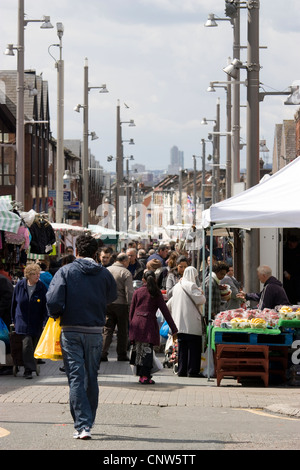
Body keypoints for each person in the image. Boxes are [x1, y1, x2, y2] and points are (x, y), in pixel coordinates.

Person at [46, 233, 117, 440]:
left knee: (76, 377)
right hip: (95, 331)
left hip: (71, 329)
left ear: (77, 251)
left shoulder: (66, 271)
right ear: (95, 253)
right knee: (91, 376)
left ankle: (82, 424)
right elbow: (112, 296)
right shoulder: (103, 273)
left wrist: (56, 314)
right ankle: (88, 421)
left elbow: (53, 299)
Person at [129, 270, 178, 384]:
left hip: (137, 324)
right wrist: (174, 329)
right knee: (147, 350)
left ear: (143, 280)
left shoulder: (138, 291)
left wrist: (131, 326)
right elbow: (165, 312)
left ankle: (141, 375)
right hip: (148, 325)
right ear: (155, 279)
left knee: (138, 350)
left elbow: (131, 310)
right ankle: (145, 376)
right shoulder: (156, 293)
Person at [167, 266, 206, 377]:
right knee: (194, 348)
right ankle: (192, 371)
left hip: (179, 324)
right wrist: (201, 292)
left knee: (182, 349)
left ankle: (181, 370)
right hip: (192, 323)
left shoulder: (177, 286)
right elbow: (202, 300)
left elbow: (169, 304)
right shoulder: (192, 286)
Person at [11, 263, 48, 379]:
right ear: (28, 275)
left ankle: (29, 366)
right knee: (27, 344)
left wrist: (44, 322)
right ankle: (29, 369)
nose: (37, 276)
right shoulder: (20, 286)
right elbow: (14, 304)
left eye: (38, 274)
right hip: (22, 321)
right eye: (34, 274)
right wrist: (13, 320)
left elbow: (45, 307)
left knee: (33, 346)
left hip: (36, 322)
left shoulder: (41, 287)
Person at [101, 253, 134, 362]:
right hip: (121, 304)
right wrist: (131, 306)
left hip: (107, 303)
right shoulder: (125, 272)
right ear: (124, 261)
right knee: (122, 330)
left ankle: (103, 352)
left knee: (107, 329)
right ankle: (121, 354)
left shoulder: (106, 270)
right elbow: (129, 292)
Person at [283, 235, 300, 304]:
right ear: (289, 242)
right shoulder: (284, 251)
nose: (293, 244)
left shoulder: (299, 250)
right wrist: (285, 272)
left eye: (295, 242)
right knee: (289, 291)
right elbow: (282, 263)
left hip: (298, 275)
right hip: (288, 276)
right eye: (292, 242)